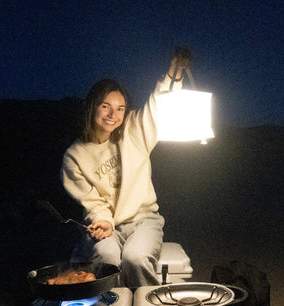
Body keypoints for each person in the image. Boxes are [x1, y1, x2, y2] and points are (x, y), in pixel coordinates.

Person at [61, 49, 190, 287]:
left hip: (145, 219)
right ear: (93, 107)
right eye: (106, 106)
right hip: (109, 225)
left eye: (120, 108)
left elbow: (158, 104)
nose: (113, 114)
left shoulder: (134, 130)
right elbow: (93, 203)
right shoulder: (74, 156)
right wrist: (103, 221)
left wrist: (175, 72)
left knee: (136, 258)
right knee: (108, 259)